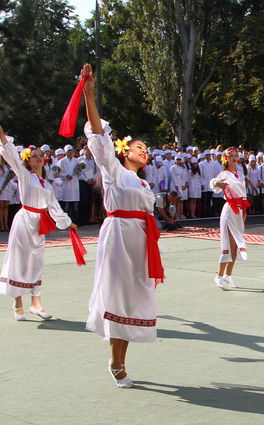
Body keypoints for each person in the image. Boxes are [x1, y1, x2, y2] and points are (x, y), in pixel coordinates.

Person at [82, 63, 164, 388]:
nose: (145, 151)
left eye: (147, 149)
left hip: (140, 241)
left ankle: (119, 361)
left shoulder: (143, 185)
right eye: (139, 147)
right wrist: (89, 94)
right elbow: (99, 136)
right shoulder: (114, 171)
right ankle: (117, 364)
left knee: (133, 299)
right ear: (124, 151)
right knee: (117, 298)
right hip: (118, 238)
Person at [0, 125, 77, 321]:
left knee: (37, 261)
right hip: (24, 221)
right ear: (28, 161)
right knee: (20, 260)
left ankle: (36, 304)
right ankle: (17, 301)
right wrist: (2, 136)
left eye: (41, 155)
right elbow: (12, 156)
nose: (39, 158)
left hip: (38, 223)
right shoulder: (25, 176)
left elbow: (54, 206)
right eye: (34, 156)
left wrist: (68, 222)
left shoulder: (45, 184)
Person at [211, 147, 249, 289]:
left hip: (239, 211)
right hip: (229, 210)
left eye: (236, 156)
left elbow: (243, 197)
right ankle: (219, 275)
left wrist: (244, 215)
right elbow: (214, 182)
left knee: (236, 246)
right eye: (231, 156)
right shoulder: (224, 173)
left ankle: (228, 275)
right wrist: (217, 183)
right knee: (228, 243)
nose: (234, 158)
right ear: (226, 159)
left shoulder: (239, 174)